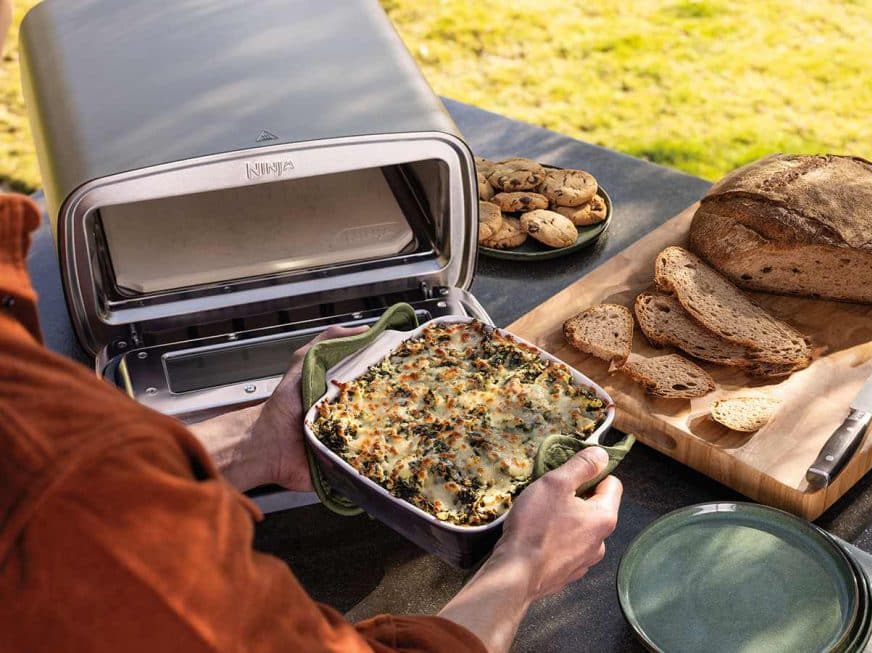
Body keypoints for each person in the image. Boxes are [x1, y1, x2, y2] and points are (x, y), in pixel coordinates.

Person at [0, 8, 622, 649]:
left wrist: (250, 442)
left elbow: (81, 485)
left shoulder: (40, 436)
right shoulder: (87, 542)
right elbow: (64, 504)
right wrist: (522, 568)